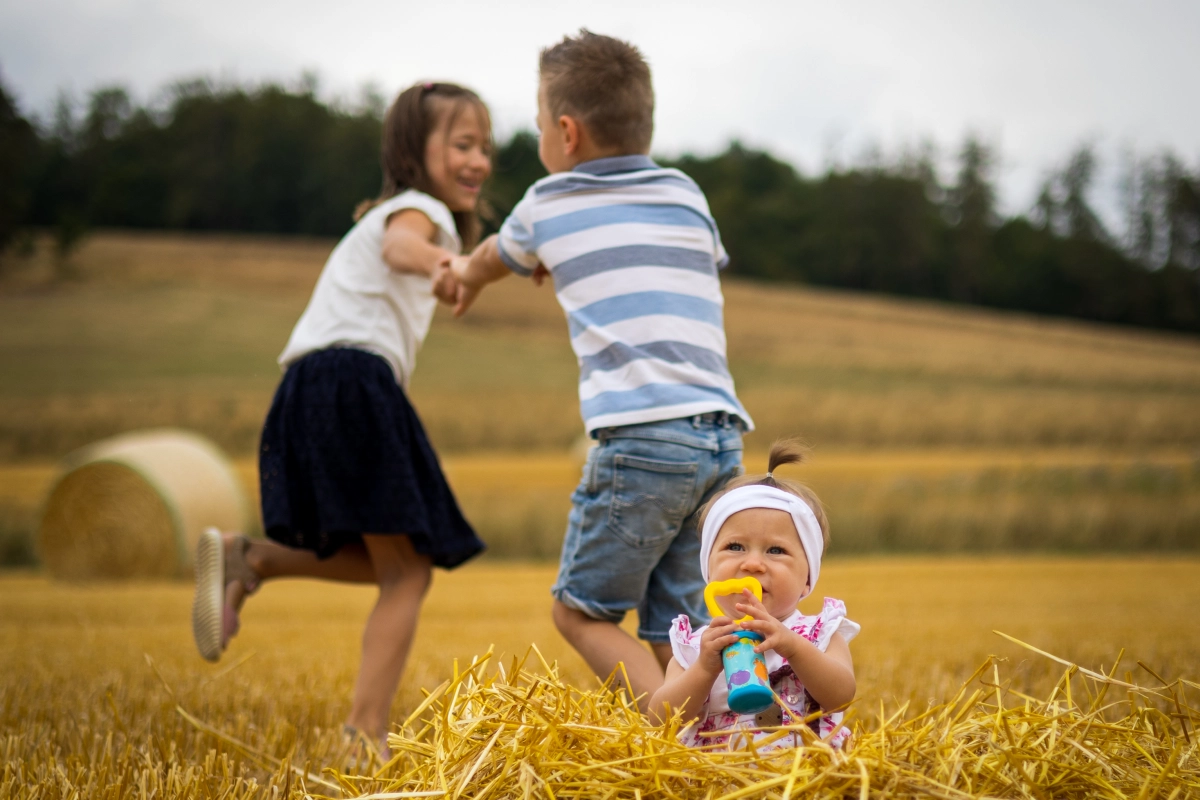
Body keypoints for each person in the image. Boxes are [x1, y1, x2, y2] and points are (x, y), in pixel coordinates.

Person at [448, 30, 751, 712]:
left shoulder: (548, 204)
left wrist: (466, 275)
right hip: (720, 435)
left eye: (536, 127)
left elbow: (497, 253)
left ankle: (672, 733)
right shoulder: (685, 193)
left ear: (566, 131)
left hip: (643, 440)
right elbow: (667, 261)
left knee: (580, 612)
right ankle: (727, 740)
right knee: (680, 625)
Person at [191, 81, 491, 750]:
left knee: (391, 563)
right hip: (353, 381)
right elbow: (402, 250)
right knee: (409, 573)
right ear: (417, 150)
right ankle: (364, 733)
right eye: (463, 144)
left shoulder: (391, 214)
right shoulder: (417, 212)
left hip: (312, 385)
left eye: (485, 148)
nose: (479, 161)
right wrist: (449, 261)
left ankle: (254, 560)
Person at [647, 440, 859, 749]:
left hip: (802, 778)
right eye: (735, 547)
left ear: (806, 581)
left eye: (776, 550)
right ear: (708, 567)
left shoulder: (818, 634)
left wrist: (794, 648)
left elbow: (841, 697)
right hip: (720, 780)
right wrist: (705, 668)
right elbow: (661, 720)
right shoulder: (695, 646)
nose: (753, 564)